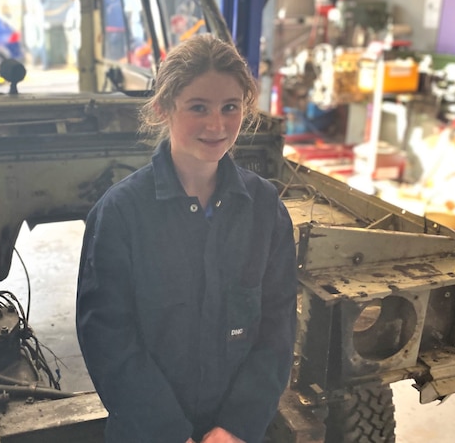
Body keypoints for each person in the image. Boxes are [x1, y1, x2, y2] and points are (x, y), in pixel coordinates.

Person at [76, 35, 298, 443]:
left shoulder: (264, 208)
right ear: (163, 108)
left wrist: (236, 426)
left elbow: (278, 327)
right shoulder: (121, 213)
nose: (217, 125)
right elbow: (107, 336)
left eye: (230, 107)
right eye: (199, 107)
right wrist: (166, 432)